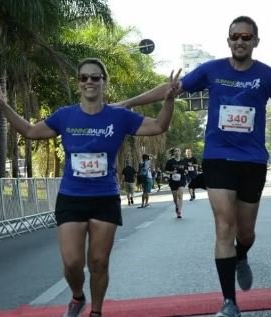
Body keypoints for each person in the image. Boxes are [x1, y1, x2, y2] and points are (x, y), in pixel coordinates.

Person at [0, 57, 180, 317]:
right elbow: (31, 132)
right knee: (72, 263)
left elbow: (159, 126)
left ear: (104, 82)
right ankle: (77, 297)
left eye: (95, 77)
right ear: (78, 83)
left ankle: (96, 312)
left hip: (105, 198)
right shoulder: (65, 116)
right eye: (84, 77)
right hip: (71, 197)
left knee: (99, 262)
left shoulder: (119, 116)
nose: (89, 82)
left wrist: (169, 101)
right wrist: (4, 106)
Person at [119, 16, 271, 317]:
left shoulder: (266, 75)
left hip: (252, 161)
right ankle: (229, 302)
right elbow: (170, 87)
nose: (240, 41)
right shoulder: (212, 70)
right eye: (235, 36)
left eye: (246, 36)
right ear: (228, 41)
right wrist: (126, 104)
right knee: (224, 226)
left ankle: (241, 256)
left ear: (255, 41)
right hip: (218, 158)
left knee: (247, 232)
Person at [165, 147, 187, 218]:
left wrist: (186, 171)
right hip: (173, 181)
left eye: (178, 151)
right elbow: (166, 171)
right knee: (175, 198)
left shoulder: (183, 161)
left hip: (182, 179)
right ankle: (177, 206)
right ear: (174, 153)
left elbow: (186, 170)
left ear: (180, 152)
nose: (177, 152)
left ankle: (179, 211)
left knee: (180, 195)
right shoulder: (170, 161)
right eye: (175, 151)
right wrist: (172, 172)